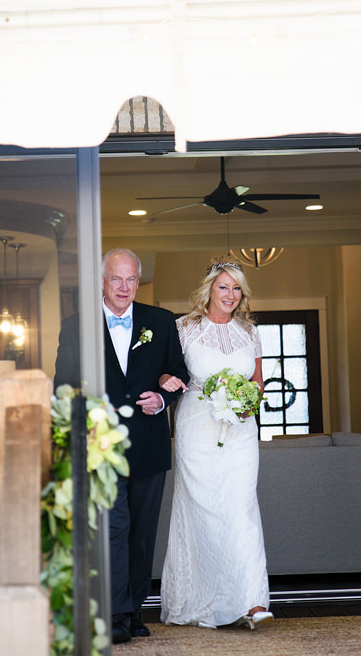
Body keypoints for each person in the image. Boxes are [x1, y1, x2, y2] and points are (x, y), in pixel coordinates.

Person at [53, 248, 189, 644]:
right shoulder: (76, 326)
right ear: (102, 281)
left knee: (141, 534)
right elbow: (64, 386)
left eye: (131, 279)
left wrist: (163, 399)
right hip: (103, 446)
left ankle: (134, 610)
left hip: (149, 444)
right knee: (112, 529)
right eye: (117, 279)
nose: (125, 287)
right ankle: (115, 613)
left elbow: (179, 372)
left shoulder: (161, 321)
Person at [158, 259, 273, 630]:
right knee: (204, 510)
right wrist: (164, 378)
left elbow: (257, 382)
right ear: (209, 289)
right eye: (224, 287)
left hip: (240, 428)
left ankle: (253, 603)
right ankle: (206, 600)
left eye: (236, 288)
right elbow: (167, 371)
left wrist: (248, 402)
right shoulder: (183, 328)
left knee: (242, 509)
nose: (230, 295)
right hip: (197, 426)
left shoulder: (250, 332)